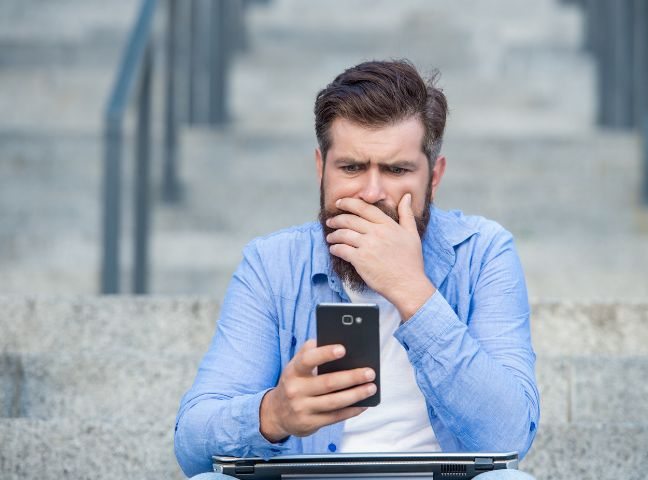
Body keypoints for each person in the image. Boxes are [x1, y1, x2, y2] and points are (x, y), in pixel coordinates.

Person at [175, 59, 540, 480]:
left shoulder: (483, 252)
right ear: (320, 169)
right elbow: (192, 447)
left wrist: (411, 291)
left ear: (433, 177)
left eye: (396, 169)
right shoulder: (271, 264)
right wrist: (272, 414)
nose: (371, 192)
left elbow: (509, 437)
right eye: (351, 168)